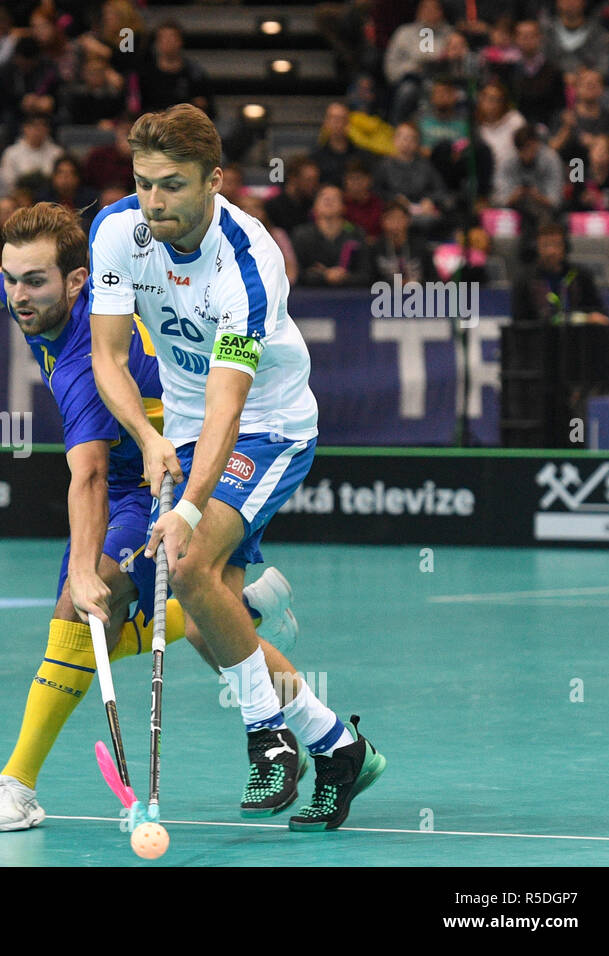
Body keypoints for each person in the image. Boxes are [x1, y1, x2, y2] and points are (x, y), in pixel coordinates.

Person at [0, 202, 301, 830]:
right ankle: (237, 609)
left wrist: (86, 570)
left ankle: (17, 786)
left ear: (77, 280)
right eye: (12, 277)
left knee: (80, 607)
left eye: (33, 281)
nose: (16, 295)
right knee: (201, 630)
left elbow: (87, 475)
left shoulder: (84, 360)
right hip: (133, 469)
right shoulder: (30, 294)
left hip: (161, 476)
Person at [89, 104, 386, 831]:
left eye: (173, 186)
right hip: (188, 428)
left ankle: (267, 736)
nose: (154, 202)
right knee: (205, 627)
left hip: (268, 426)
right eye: (143, 183)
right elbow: (106, 357)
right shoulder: (118, 233)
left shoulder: (249, 265)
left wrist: (187, 510)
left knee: (186, 567)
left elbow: (230, 404)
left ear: (215, 181)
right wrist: (150, 438)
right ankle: (339, 746)